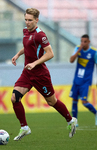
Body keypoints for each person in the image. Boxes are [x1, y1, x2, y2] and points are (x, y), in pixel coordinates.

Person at [11, 8, 77, 141]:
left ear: (36, 20)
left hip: (40, 75)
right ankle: (24, 127)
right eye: (26, 20)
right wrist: (18, 54)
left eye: (30, 20)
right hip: (27, 72)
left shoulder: (41, 35)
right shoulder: (26, 31)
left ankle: (71, 120)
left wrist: (35, 63)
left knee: (52, 102)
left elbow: (50, 53)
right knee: (14, 98)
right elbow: (27, 45)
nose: (27, 22)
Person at [69, 34, 97, 126]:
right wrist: (78, 50)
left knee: (84, 102)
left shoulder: (94, 52)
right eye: (81, 41)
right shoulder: (77, 49)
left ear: (89, 42)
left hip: (86, 81)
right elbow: (71, 60)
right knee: (74, 100)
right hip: (77, 80)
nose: (82, 43)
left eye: (85, 42)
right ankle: (75, 122)